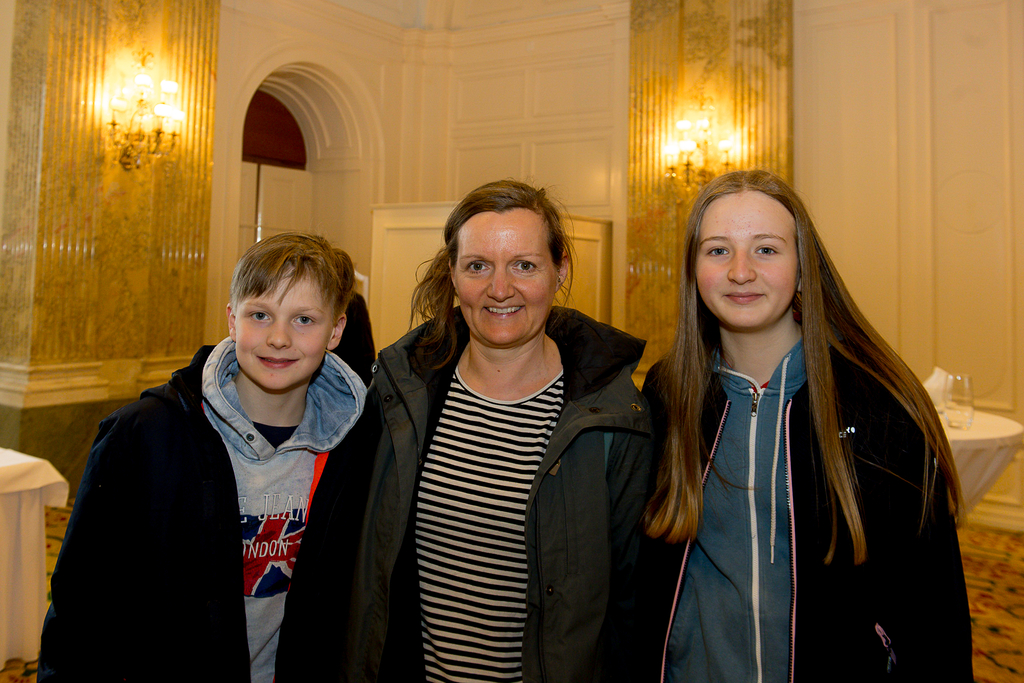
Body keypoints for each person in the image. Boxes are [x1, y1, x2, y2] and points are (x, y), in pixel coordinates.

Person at [276, 179, 654, 682]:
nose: (500, 289)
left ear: (559, 270)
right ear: (453, 274)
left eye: (525, 264)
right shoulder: (397, 398)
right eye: (478, 266)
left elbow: (632, 608)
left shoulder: (615, 418)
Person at [637, 170, 972, 681]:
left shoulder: (878, 405)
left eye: (766, 250)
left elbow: (933, 602)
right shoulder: (667, 393)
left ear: (802, 266)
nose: (741, 272)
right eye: (718, 250)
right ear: (692, 269)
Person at [39, 233, 366, 683]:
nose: (278, 337)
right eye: (260, 315)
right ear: (232, 320)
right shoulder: (145, 434)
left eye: (304, 319)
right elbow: (82, 606)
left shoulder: (356, 446)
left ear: (336, 331)